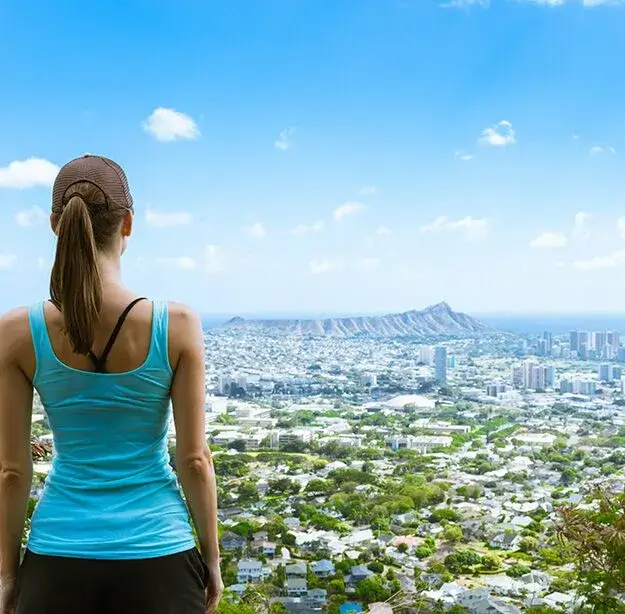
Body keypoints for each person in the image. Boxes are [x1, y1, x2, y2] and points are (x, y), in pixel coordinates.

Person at [0, 154, 223, 614]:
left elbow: (11, 472)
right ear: (127, 224)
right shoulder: (176, 326)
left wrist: (6, 572)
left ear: (54, 224)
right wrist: (213, 559)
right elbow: (195, 460)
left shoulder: (18, 332)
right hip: (160, 554)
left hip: (58, 557)